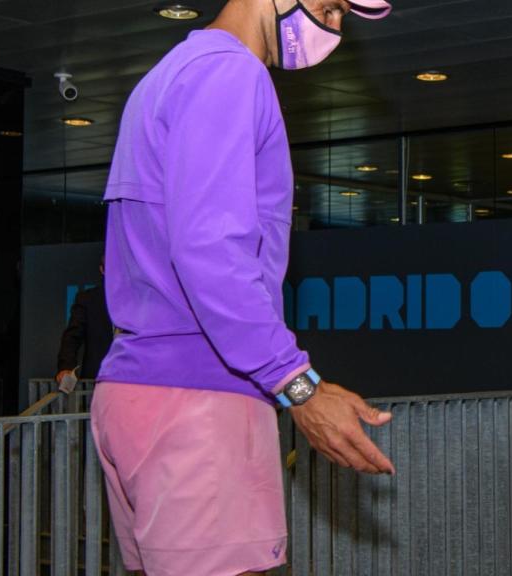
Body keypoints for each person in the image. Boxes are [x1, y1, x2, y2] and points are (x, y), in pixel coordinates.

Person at [90, 1, 394, 575]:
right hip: (201, 400)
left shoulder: (171, 73)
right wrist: (297, 385)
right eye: (330, 7)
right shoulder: (232, 73)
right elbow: (210, 250)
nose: (334, 28)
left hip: (136, 391)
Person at [55, 259, 113, 391]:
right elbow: (72, 337)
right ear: (102, 270)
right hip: (95, 382)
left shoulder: (137, 299)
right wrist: (66, 367)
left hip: (132, 382)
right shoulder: (88, 299)